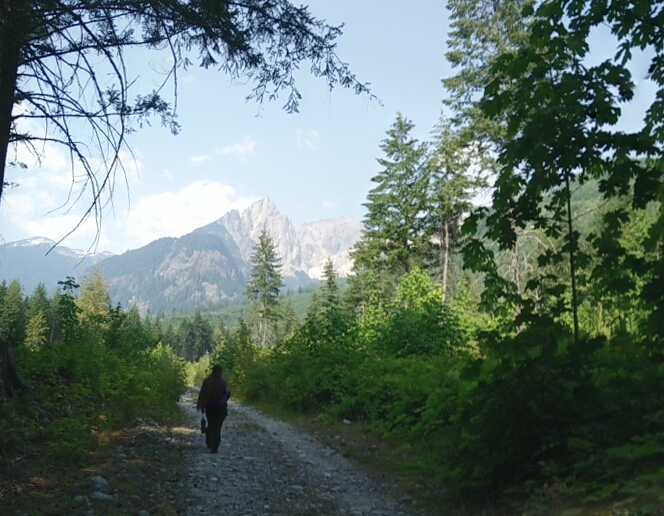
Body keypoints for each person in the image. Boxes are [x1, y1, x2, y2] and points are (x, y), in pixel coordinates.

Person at [196, 364, 230, 453]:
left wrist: (201, 406)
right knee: (217, 426)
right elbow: (227, 394)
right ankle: (215, 446)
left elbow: (203, 394)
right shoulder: (223, 382)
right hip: (221, 407)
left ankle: (209, 441)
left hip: (210, 407)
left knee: (211, 424)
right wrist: (224, 401)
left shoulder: (207, 381)